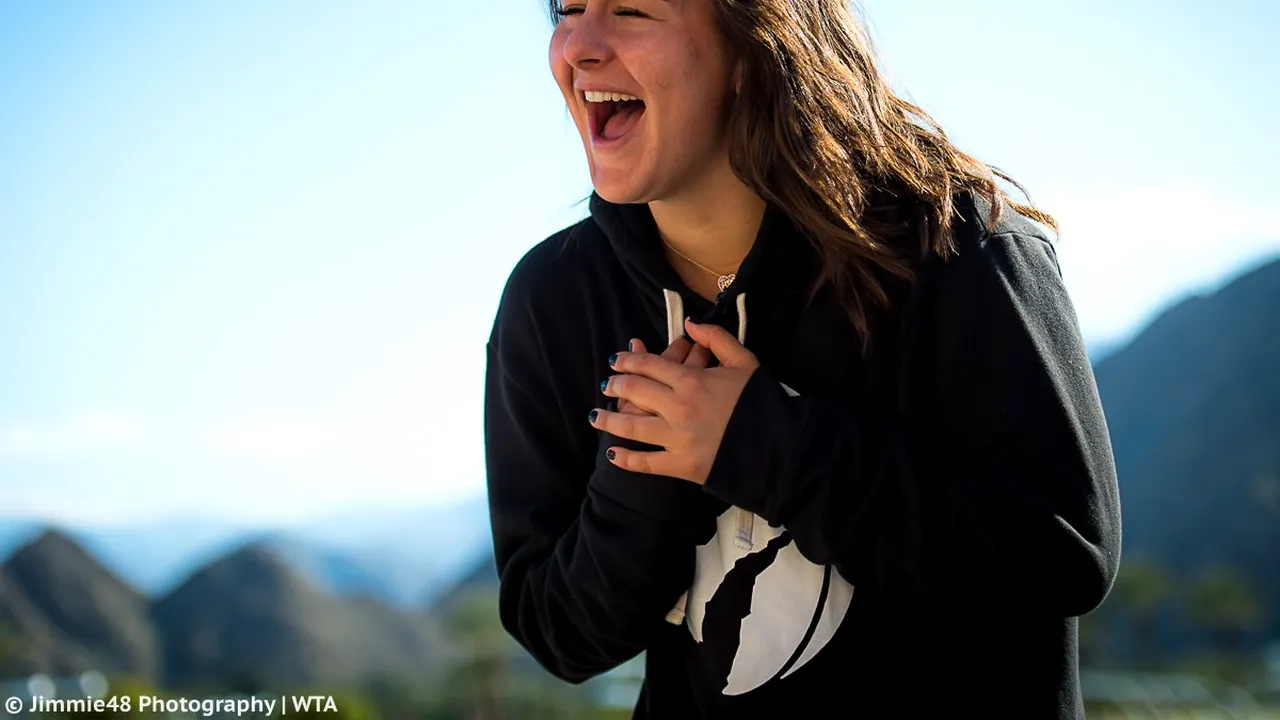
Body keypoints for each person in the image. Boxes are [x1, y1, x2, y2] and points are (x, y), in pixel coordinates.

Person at [483, 0, 1122, 717]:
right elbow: (560, 633)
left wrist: (760, 445)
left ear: (754, 47)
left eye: (632, 10)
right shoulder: (554, 300)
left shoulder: (957, 246)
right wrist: (644, 483)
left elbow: (1063, 554)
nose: (579, 47)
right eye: (568, 10)